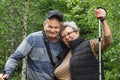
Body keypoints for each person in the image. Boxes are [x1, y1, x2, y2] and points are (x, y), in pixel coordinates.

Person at [2, 10, 68, 80]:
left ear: (60, 27)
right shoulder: (33, 38)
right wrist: (7, 72)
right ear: (44, 25)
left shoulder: (64, 43)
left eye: (56, 27)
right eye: (50, 27)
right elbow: (15, 58)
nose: (52, 30)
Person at [54, 8, 113, 80]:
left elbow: (107, 41)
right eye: (63, 36)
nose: (66, 37)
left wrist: (103, 20)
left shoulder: (90, 45)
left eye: (69, 33)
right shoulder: (65, 53)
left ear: (77, 32)